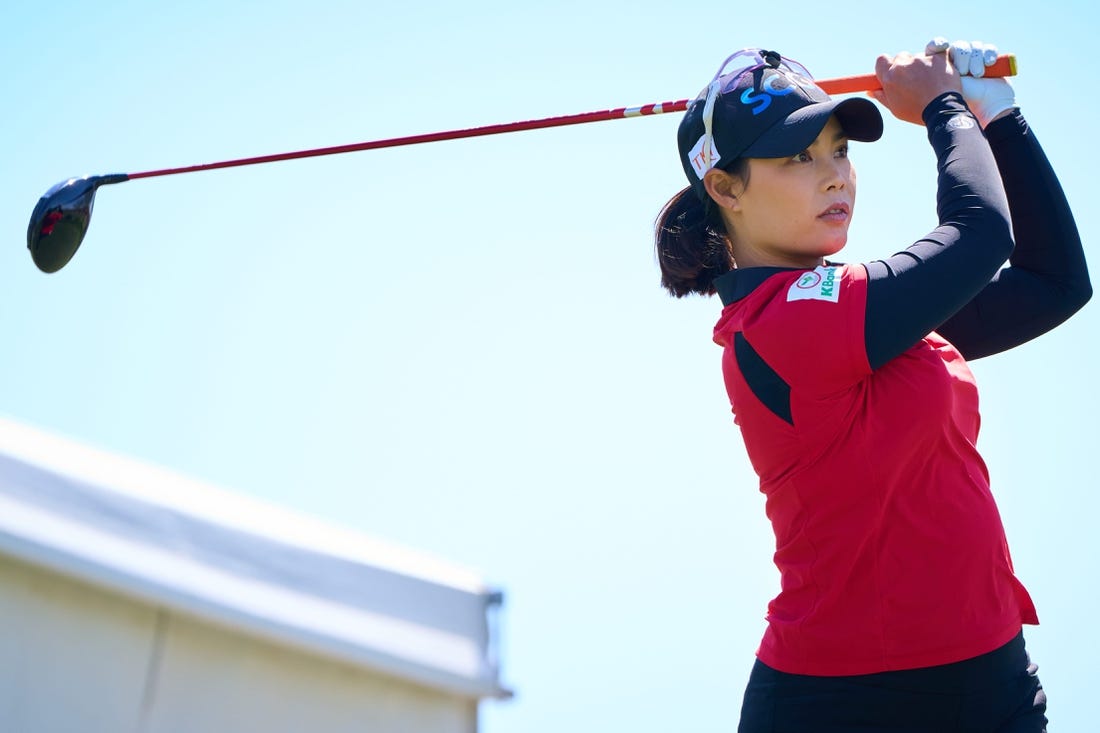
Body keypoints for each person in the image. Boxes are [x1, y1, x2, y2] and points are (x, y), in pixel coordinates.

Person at [654, 40, 1091, 732]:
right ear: (724, 187)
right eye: (797, 156)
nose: (834, 176)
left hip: (992, 681)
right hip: (842, 702)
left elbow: (1054, 283)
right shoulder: (787, 320)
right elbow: (979, 234)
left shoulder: (858, 314)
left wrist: (1000, 118)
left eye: (838, 150)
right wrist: (947, 108)